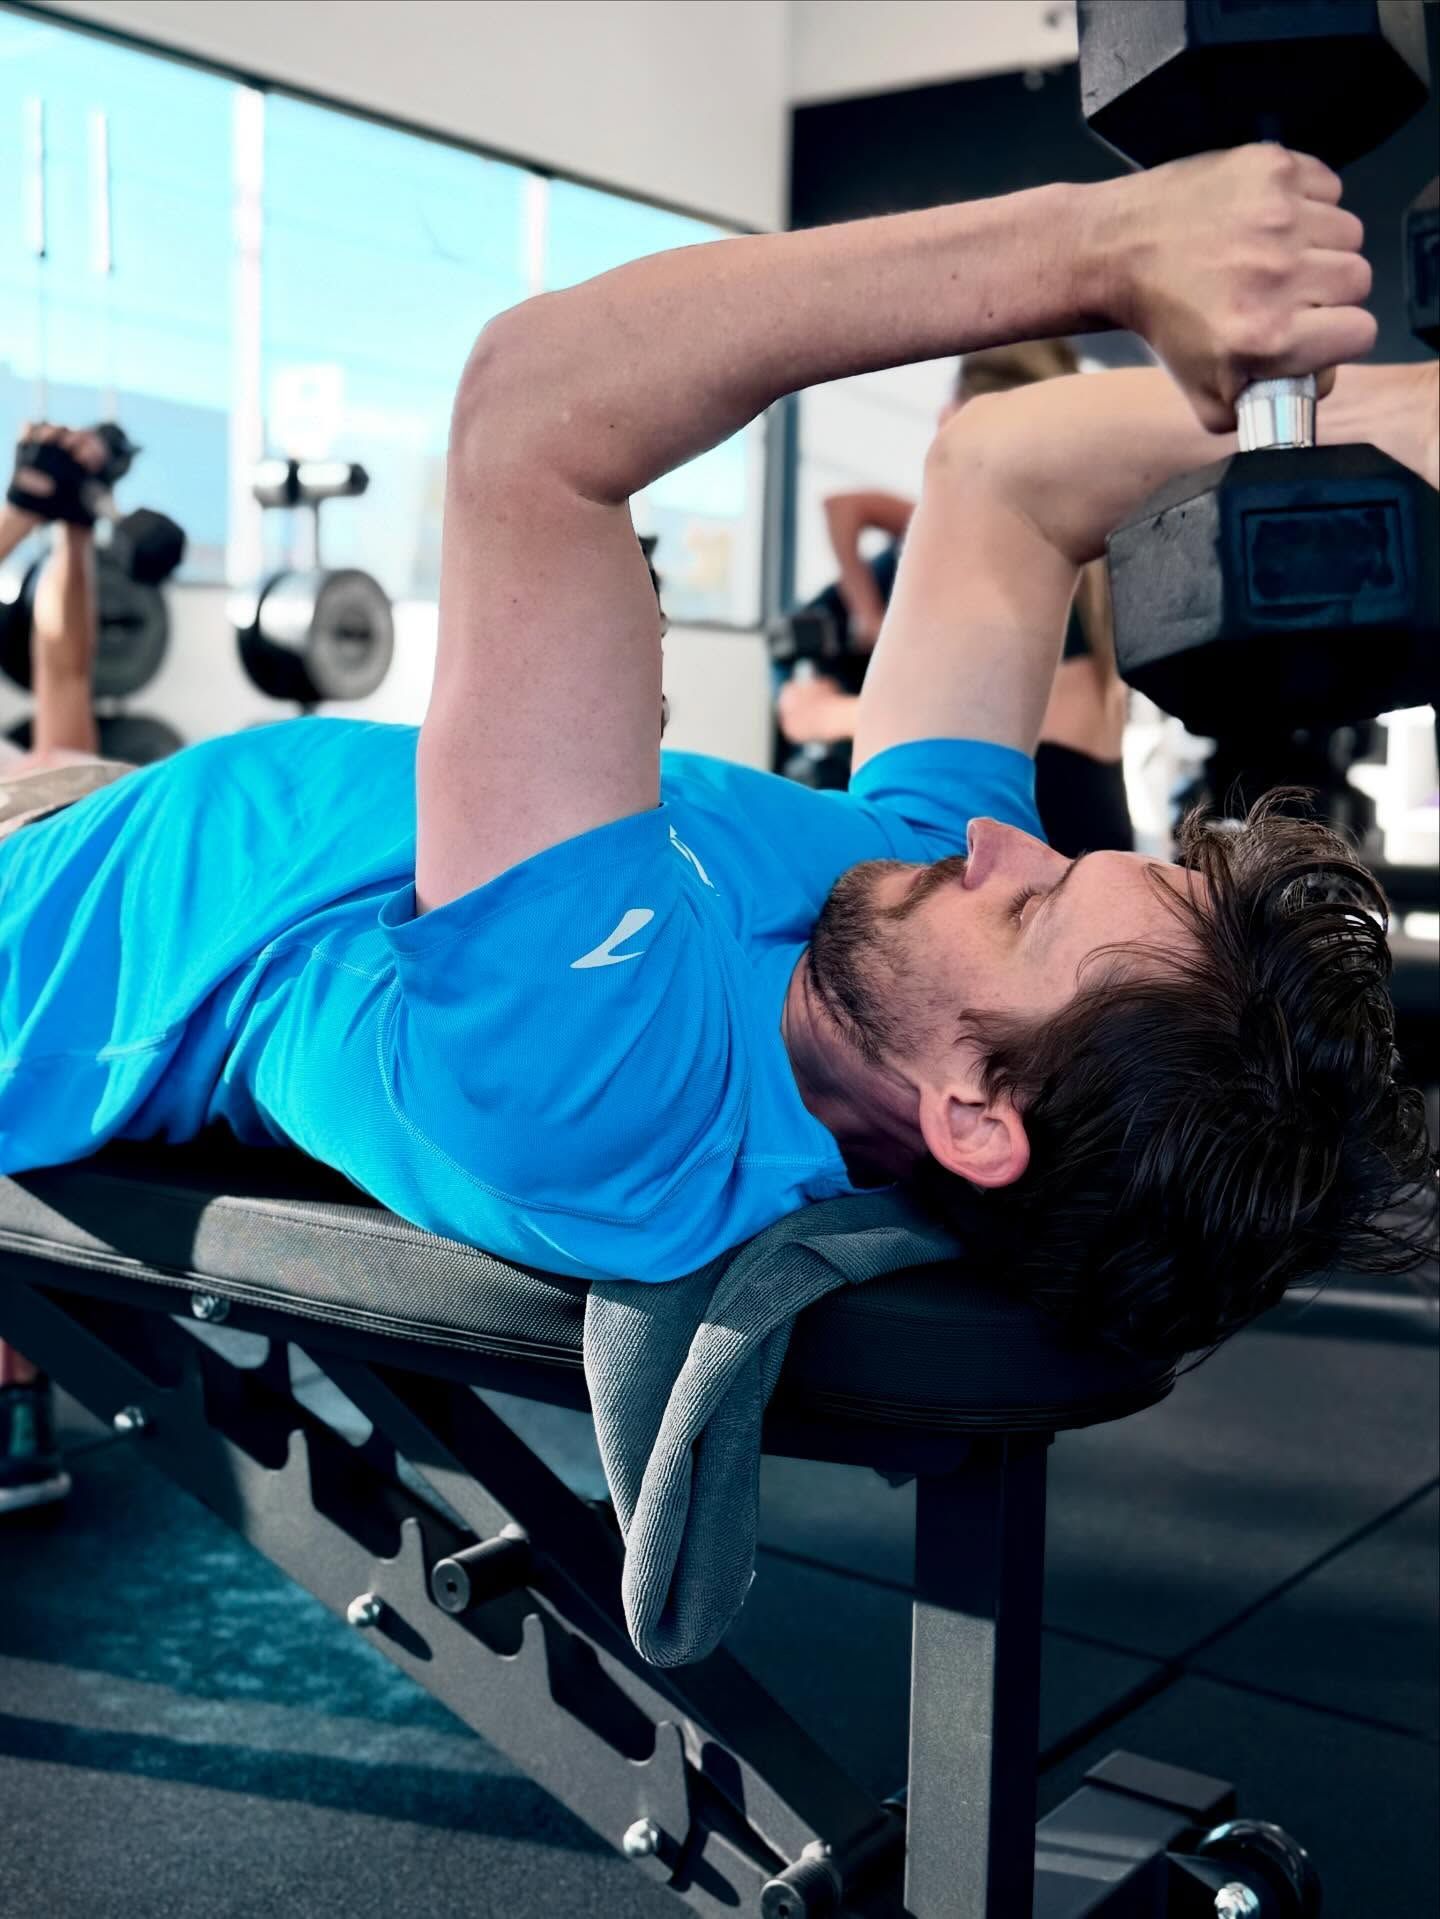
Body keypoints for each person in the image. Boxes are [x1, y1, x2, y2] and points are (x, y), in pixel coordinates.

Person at [0, 150, 1432, 1408]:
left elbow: (535, 407)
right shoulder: (905, 925)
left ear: (974, 1115)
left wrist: (1101, 244)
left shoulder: (619, 1085)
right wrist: (1397, 413)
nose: (1004, 842)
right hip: (110, 802)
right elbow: (1004, 474)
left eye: (1029, 908)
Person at [778, 339, 1133, 856]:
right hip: (1077, 846)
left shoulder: (1020, 550)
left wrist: (828, 713)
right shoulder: (1065, 544)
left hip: (1057, 856)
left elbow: (1015, 713)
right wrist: (866, 613)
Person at [0, 424, 121, 1512]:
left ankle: (19, 1403)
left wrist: (52, 520)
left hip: (81, 837)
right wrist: (45, 514)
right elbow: (62, 667)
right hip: (87, 842)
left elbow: (63, 664)